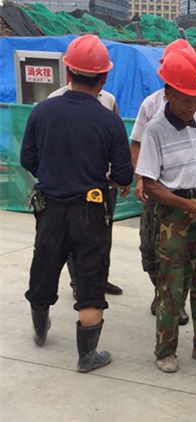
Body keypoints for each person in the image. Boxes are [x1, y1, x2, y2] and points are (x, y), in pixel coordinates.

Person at [20, 34, 133, 372]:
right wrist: (103, 177)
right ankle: (87, 356)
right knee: (90, 278)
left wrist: (54, 174)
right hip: (90, 210)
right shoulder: (108, 119)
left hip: (50, 208)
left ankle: (40, 330)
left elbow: (28, 159)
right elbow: (123, 174)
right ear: (103, 77)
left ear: (68, 72)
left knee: (44, 268)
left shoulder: (42, 111)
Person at [135, 48, 196, 373]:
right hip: (174, 215)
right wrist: (188, 205)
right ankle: (166, 351)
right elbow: (150, 185)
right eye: (186, 100)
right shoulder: (155, 130)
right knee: (172, 286)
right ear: (169, 92)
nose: (192, 106)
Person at [49, 59, 126, 299]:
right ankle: (78, 283)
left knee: (102, 233)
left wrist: (118, 178)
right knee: (72, 235)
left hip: (102, 184)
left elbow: (115, 142)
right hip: (68, 185)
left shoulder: (108, 100)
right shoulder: (54, 101)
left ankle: (98, 280)